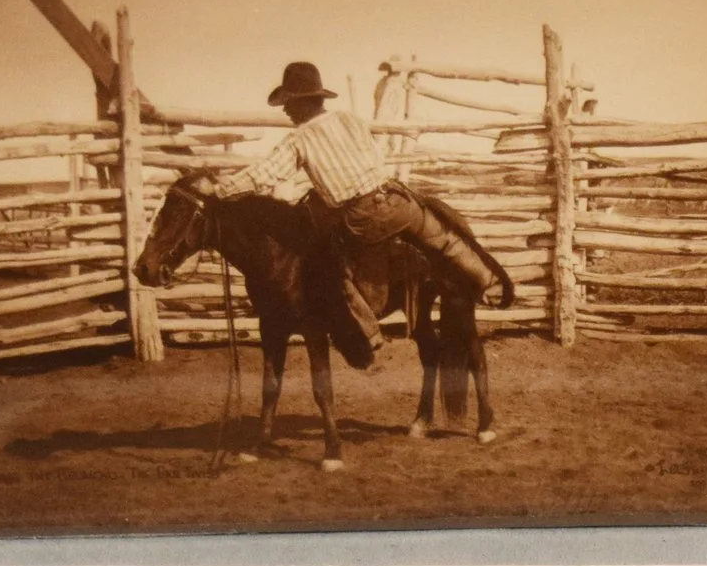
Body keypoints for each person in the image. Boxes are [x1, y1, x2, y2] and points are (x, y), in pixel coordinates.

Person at [207, 61, 506, 359]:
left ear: (302, 103)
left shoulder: (299, 140)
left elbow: (264, 174)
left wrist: (221, 190)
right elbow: (372, 158)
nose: (285, 110)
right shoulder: (351, 120)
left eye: (288, 103)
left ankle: (368, 333)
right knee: (444, 237)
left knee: (330, 267)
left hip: (362, 218)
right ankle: (488, 281)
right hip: (396, 200)